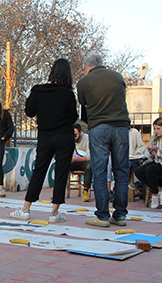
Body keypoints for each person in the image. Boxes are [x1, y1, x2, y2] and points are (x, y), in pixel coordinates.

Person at [10, 58, 77, 223]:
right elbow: (74, 117)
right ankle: (54, 213)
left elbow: (29, 112)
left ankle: (26, 209)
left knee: (39, 170)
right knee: (61, 173)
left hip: (45, 136)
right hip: (64, 136)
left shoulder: (38, 90)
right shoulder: (68, 93)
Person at [77, 52, 130, 227]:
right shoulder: (117, 76)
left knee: (99, 172)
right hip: (121, 126)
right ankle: (120, 215)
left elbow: (83, 103)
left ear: (87, 66)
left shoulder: (84, 82)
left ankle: (102, 216)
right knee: (121, 171)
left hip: (99, 126)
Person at [133, 118, 162, 209]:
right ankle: (157, 190)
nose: (156, 131)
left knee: (150, 170)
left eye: (158, 129)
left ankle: (154, 195)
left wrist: (157, 150)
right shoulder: (154, 138)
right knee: (139, 171)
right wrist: (149, 151)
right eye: (155, 129)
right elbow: (149, 157)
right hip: (157, 162)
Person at [70, 123, 92, 202]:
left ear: (80, 133)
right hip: (73, 162)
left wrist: (75, 159)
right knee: (59, 165)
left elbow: (89, 157)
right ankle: (58, 190)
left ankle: (85, 191)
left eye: (75, 134)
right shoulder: (69, 139)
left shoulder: (87, 139)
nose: (74, 136)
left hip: (84, 162)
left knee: (89, 166)